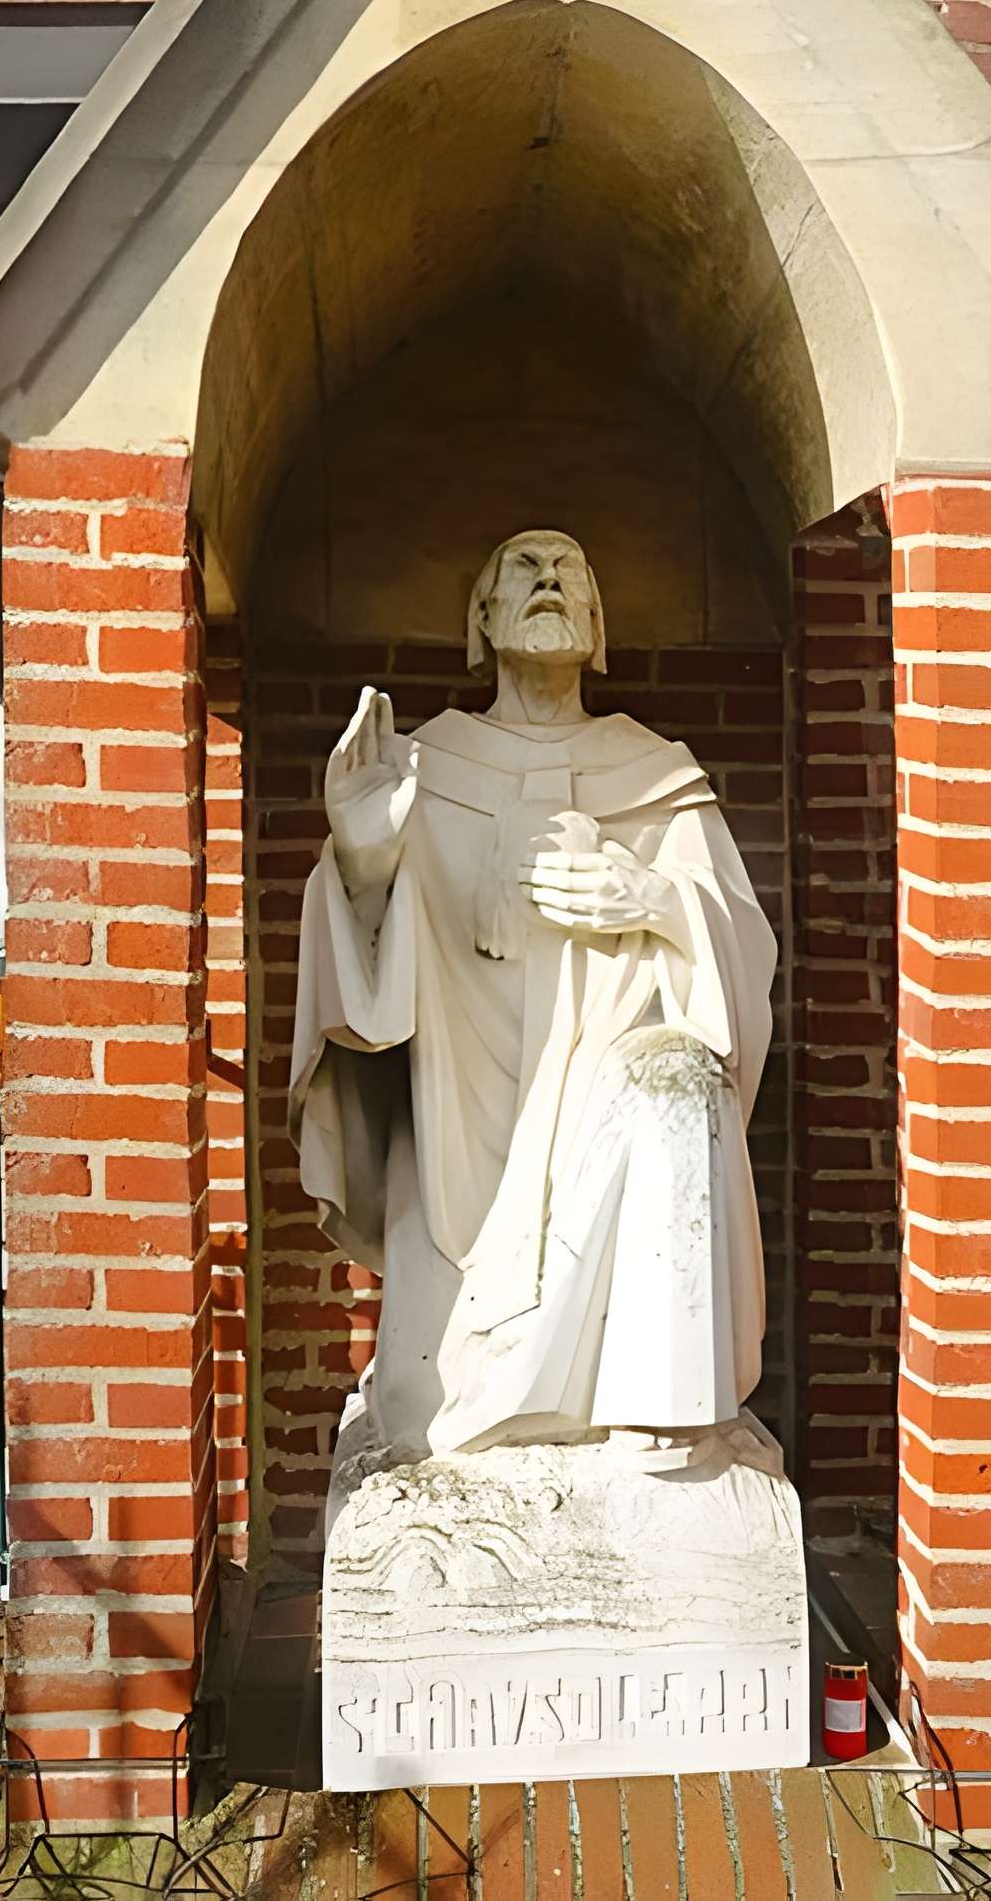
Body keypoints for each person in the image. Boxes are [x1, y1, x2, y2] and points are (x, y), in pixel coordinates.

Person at [289, 529, 777, 1458]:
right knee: (423, 1409)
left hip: (611, 1111)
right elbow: (362, 1006)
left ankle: (656, 1420)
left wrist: (652, 900)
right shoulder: (423, 770)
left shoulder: (656, 774)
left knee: (677, 1081)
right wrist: (362, 857)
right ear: (481, 619)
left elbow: (739, 948)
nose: (549, 579)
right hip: (458, 1119)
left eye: (569, 570)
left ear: (597, 622)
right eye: (524, 567)